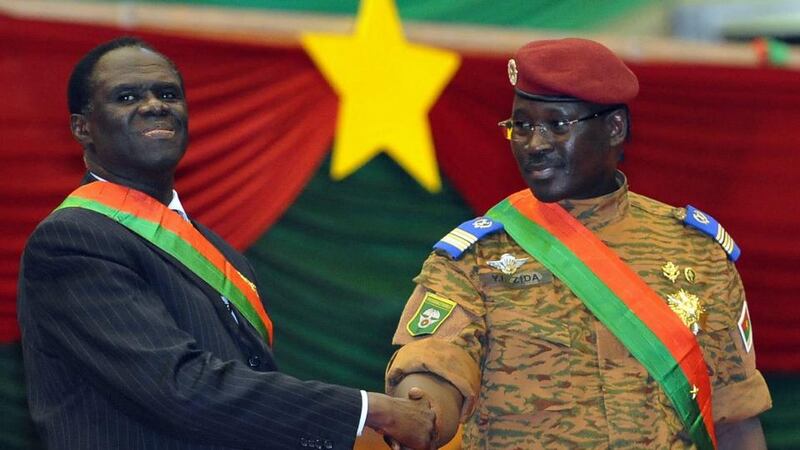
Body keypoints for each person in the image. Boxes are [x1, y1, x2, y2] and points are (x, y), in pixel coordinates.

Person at [17, 37, 435, 450]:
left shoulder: (219, 251)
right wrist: (368, 411)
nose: (154, 105)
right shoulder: (73, 240)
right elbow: (177, 387)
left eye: (168, 94)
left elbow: (248, 392)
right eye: (126, 97)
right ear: (82, 127)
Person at [385, 38, 771, 449]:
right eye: (523, 125)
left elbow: (735, 414)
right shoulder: (476, 259)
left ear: (614, 128)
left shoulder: (698, 251)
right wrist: (422, 409)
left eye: (557, 125)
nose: (535, 145)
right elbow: (436, 363)